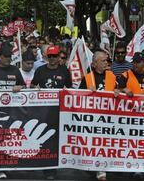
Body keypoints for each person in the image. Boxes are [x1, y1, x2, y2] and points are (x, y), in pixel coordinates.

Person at [31, 45, 72, 180]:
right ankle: (49, 169)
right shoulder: (40, 70)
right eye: (50, 56)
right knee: (46, 138)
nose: (53, 59)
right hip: (44, 111)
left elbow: (70, 88)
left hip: (60, 111)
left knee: (57, 139)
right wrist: (35, 90)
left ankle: (56, 163)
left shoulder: (65, 71)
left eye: (55, 56)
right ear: (46, 57)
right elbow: (32, 85)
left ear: (59, 56)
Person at [78, 50, 117, 181]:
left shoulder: (112, 76)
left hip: (108, 117)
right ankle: (97, 167)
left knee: (105, 143)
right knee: (95, 143)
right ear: (94, 64)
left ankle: (104, 166)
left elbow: (118, 91)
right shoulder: (88, 78)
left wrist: (118, 91)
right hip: (92, 118)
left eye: (107, 60)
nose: (106, 63)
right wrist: (87, 92)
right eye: (103, 61)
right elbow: (77, 97)